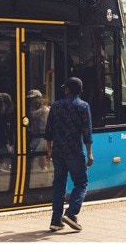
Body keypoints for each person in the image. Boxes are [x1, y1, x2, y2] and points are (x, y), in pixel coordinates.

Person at [44, 77, 93, 233]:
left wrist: (49, 150)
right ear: (80, 91)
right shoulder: (83, 106)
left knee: (59, 184)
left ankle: (55, 221)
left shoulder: (56, 106)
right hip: (75, 152)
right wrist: (90, 153)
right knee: (81, 183)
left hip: (58, 152)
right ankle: (71, 214)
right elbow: (87, 132)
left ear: (67, 90)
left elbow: (49, 131)